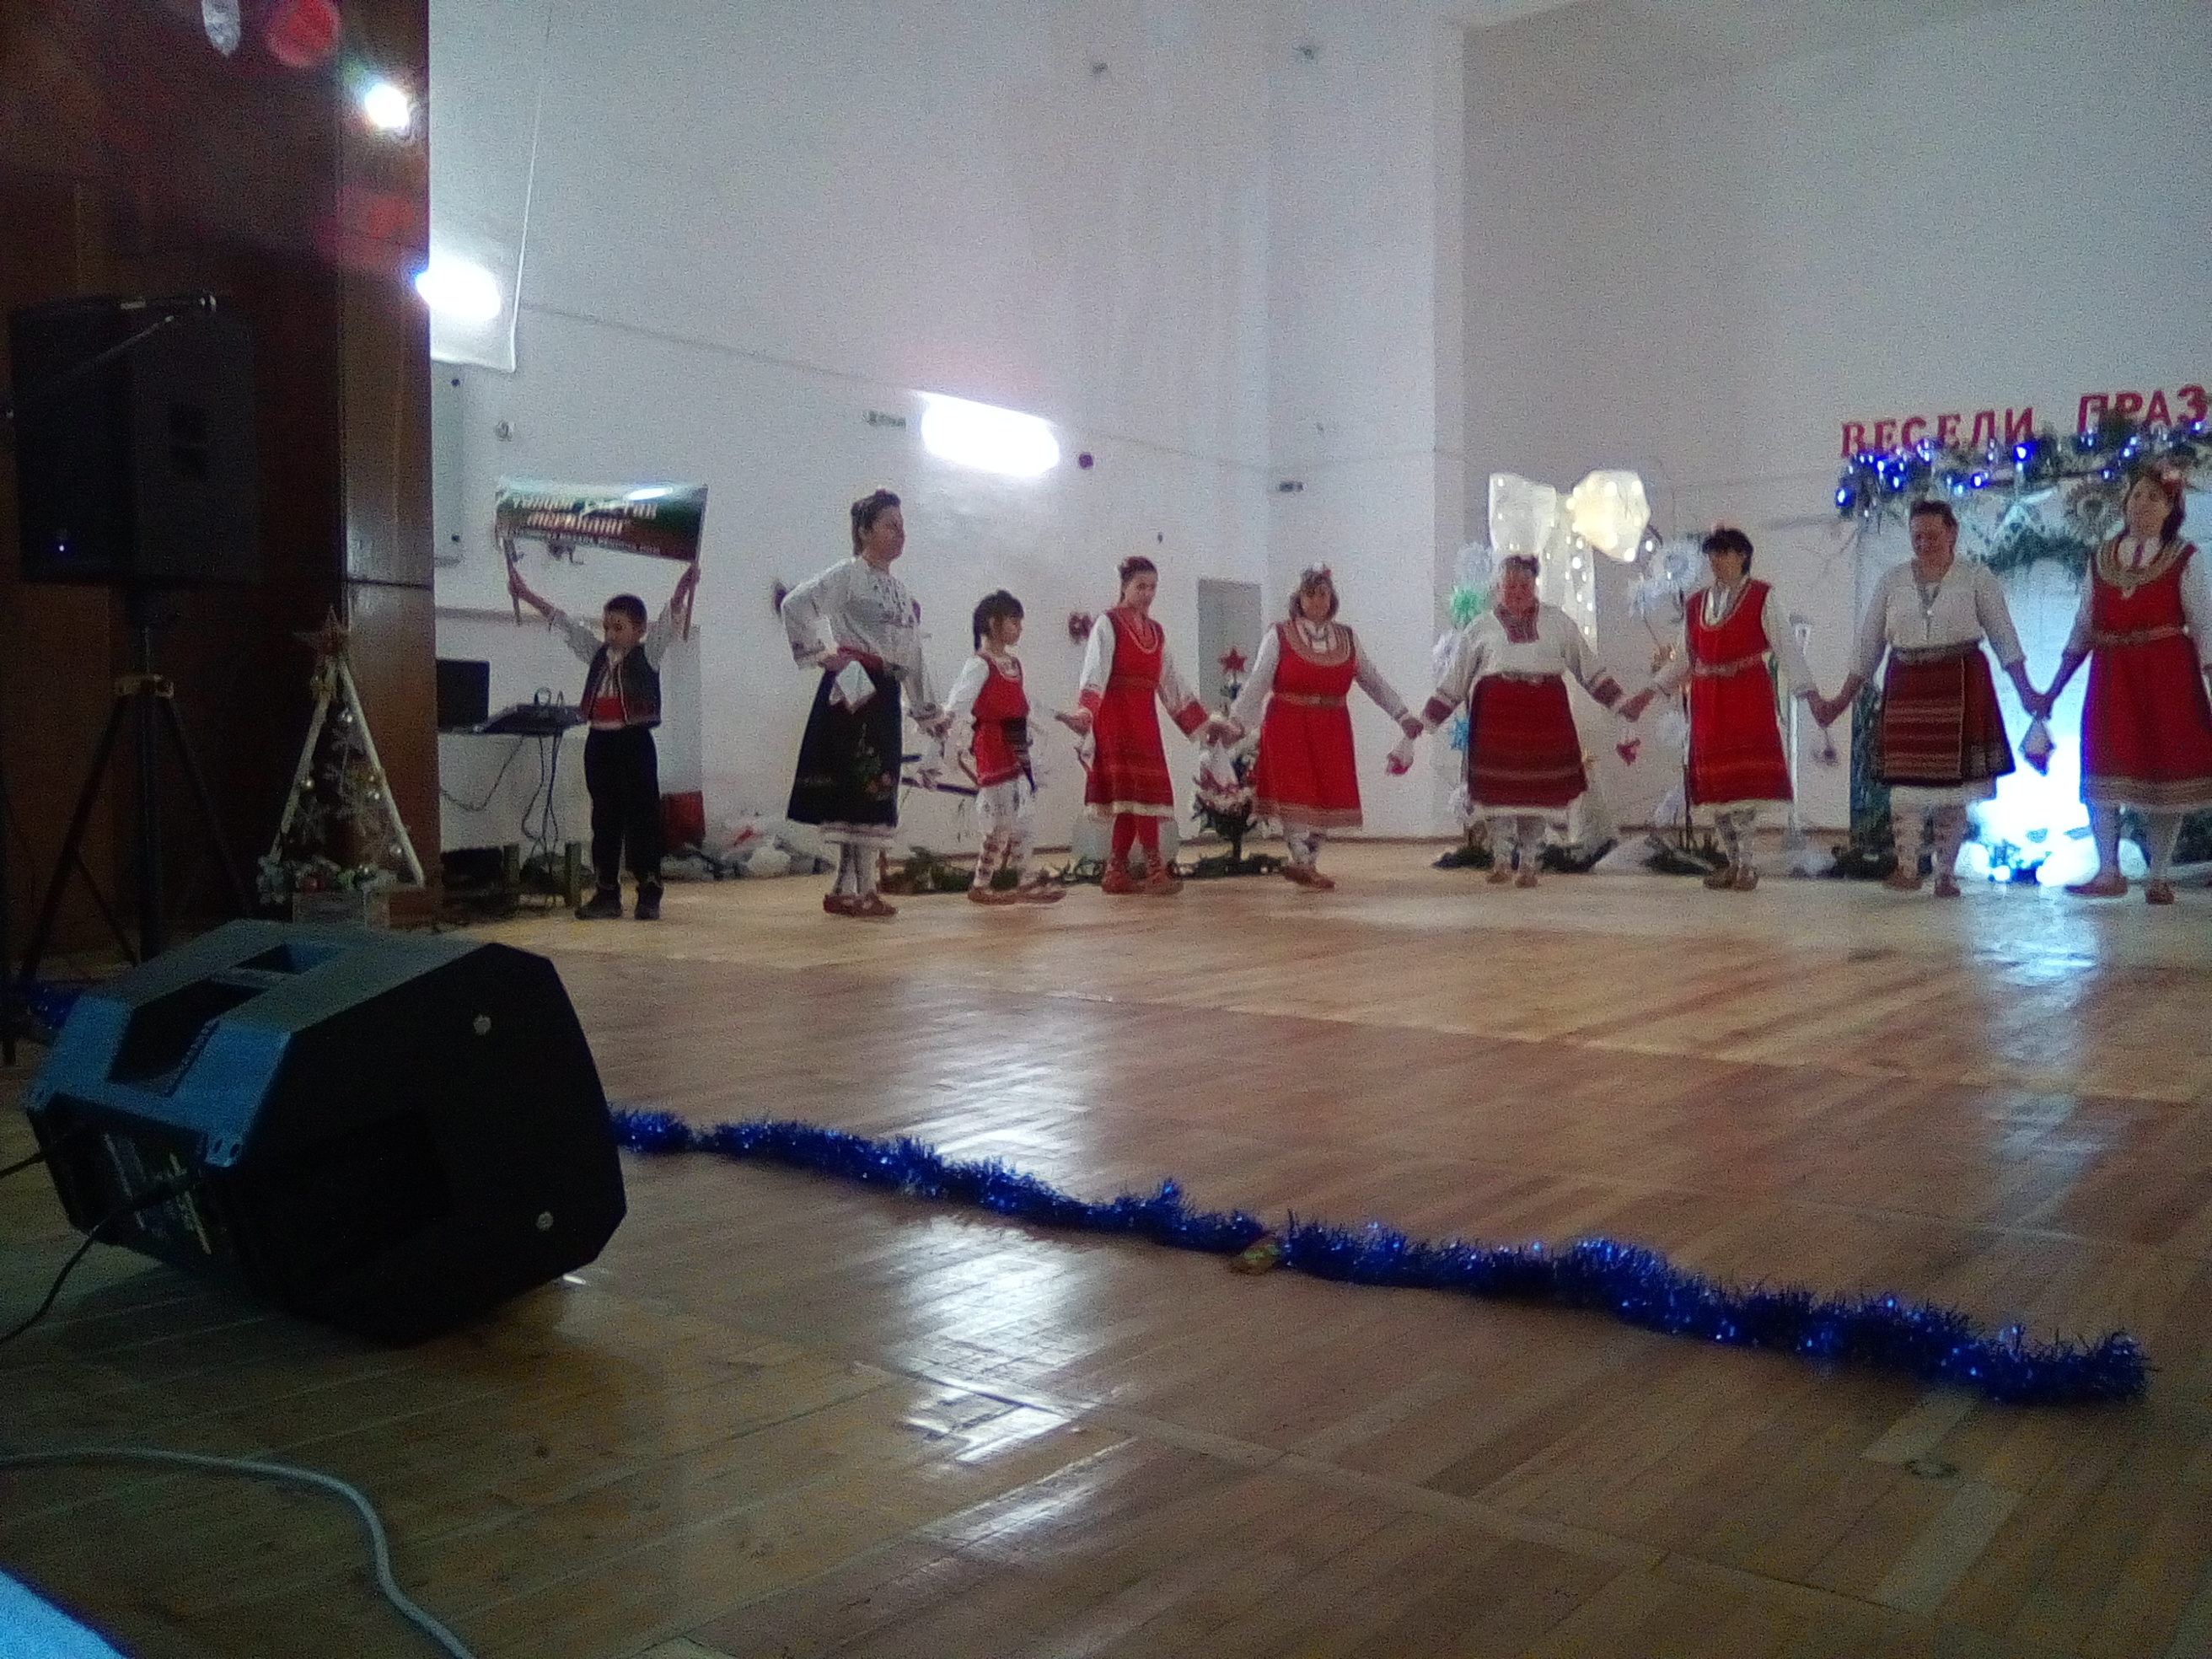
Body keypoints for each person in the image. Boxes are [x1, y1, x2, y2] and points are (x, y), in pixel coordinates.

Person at [1810, 498, 2038, 897]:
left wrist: (2027, 692)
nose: (1924, 542)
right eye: (1917, 536)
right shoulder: (1892, 580)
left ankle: (1946, 875)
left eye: (1932, 535)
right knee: (1905, 787)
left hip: (1961, 683)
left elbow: (2004, 636)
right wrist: (1841, 699)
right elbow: (1869, 644)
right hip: (1907, 686)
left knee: (1954, 789)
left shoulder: (1976, 577)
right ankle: (1907, 868)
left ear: (1953, 533)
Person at [2035, 470, 2212, 904]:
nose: (2142, 504)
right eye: (2136, 496)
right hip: (2112, 675)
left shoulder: (2184, 558)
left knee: (2164, 771)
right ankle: (2108, 871)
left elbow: (2204, 626)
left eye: (2154, 498)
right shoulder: (2101, 558)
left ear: (2171, 510)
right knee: (2103, 765)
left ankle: (2159, 876)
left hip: (2167, 675)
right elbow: (2084, 625)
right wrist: (2054, 689)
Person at [1405, 554, 1633, 888]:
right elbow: (1455, 680)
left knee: (1535, 796)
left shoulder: (1558, 622)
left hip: (1544, 717)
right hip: (1497, 720)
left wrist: (1621, 703)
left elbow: (1588, 667)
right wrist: (1425, 720)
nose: (1516, 592)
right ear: (1498, 588)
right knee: (1497, 796)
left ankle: (1528, 863)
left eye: (1524, 585)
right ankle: (1500, 859)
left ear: (1534, 585)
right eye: (1509, 585)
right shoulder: (1480, 627)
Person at [1620, 528, 1823, 892]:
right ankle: (1732, 864)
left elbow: (1787, 648)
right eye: (1712, 555)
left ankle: (1748, 866)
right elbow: (1684, 659)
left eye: (1723, 553)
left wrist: (1811, 696)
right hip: (1708, 700)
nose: (1715, 561)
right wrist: (1648, 694)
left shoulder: (1761, 596)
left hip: (1746, 696)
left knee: (1742, 786)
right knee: (1718, 788)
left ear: (1742, 556)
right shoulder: (1696, 603)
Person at [780, 489, 946, 920]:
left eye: (902, 526)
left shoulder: (903, 594)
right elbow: (794, 605)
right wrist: (821, 654)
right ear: (864, 531)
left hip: (885, 692)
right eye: (890, 525)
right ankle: (862, 889)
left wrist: (928, 711)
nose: (900, 533)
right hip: (855, 687)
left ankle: (847, 887)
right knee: (861, 784)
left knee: (874, 784)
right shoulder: (848, 575)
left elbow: (912, 655)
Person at [508, 560, 699, 921]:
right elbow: (565, 624)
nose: (610, 634)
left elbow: (668, 621)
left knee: (642, 819)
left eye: (619, 627)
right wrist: (526, 594)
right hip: (599, 744)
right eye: (607, 626)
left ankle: (649, 892)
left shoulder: (648, 655)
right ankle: (607, 893)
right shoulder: (596, 654)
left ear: (639, 630)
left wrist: (682, 589)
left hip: (634, 744)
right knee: (604, 819)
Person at [1224, 566, 1421, 889]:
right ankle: (1301, 859)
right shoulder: (1280, 635)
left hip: (1332, 726)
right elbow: (1258, 682)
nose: (1317, 601)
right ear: (1298, 599)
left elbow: (1372, 681)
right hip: (1287, 724)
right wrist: (1236, 723)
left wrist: (1401, 714)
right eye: (1310, 594)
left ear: (1332, 598)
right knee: (1294, 791)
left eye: (1323, 594)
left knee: (1328, 794)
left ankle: (1309, 861)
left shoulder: (1347, 638)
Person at [1062, 556, 1222, 894]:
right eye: (1141, 586)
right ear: (1124, 586)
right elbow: (1094, 672)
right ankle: (1154, 869)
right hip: (1114, 719)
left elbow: (1172, 684)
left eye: (1152, 587)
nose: (1148, 594)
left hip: (1144, 720)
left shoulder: (1156, 633)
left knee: (1135, 797)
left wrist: (1202, 724)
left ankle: (1115, 871)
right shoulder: (1108, 623)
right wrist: (1086, 713)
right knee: (1138, 794)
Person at [944, 590, 1062, 906]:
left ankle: (1025, 878)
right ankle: (981, 883)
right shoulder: (979, 665)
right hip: (993, 743)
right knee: (1000, 819)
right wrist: (946, 731)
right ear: (993, 623)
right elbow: (958, 703)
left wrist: (1061, 717)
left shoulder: (1013, 664)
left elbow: (1025, 702)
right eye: (1014, 621)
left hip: (1017, 742)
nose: (1019, 628)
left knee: (1025, 816)